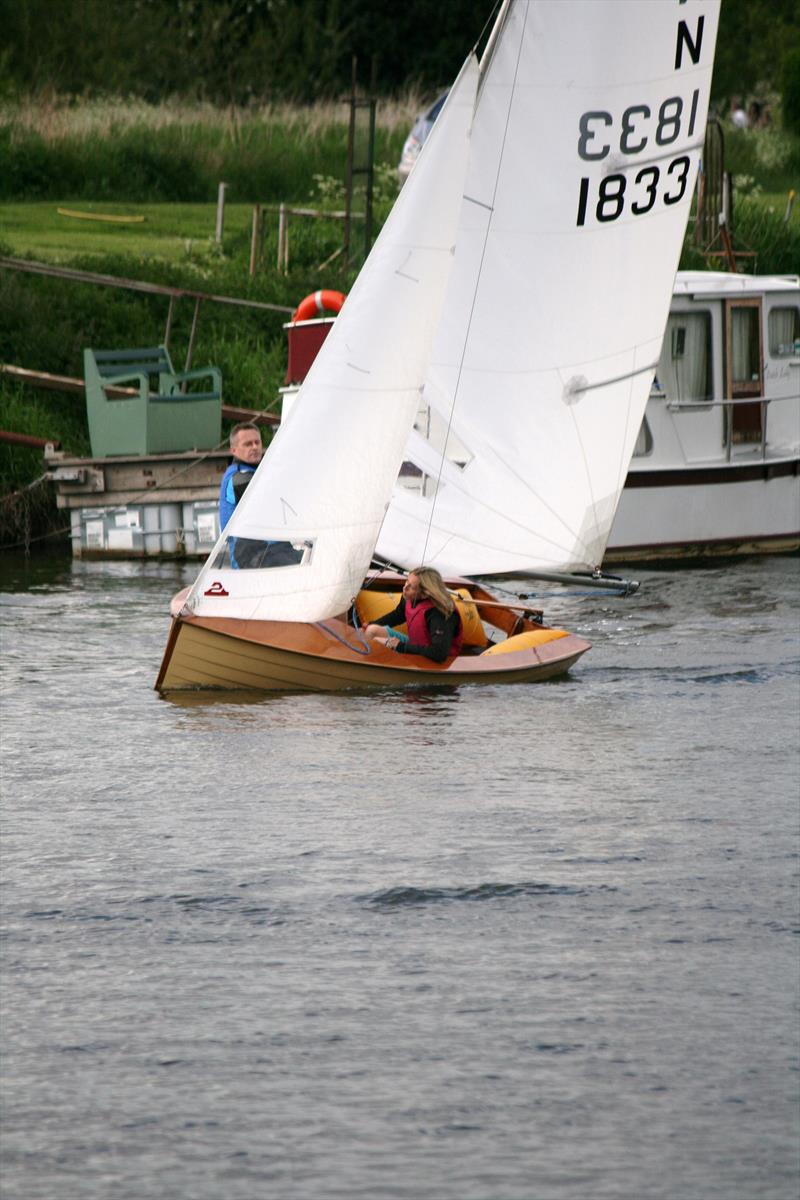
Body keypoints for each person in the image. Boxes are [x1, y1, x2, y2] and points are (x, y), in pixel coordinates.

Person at [363, 567, 464, 663]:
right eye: (407, 581)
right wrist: (370, 624)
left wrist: (399, 646)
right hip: (415, 646)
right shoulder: (410, 597)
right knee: (372, 630)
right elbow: (398, 615)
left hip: (434, 660)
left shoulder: (439, 614)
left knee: (378, 641)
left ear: (425, 594)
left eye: (411, 586)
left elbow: (439, 653)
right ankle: (366, 662)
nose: (404, 588)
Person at [218, 423, 263, 531]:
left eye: (257, 442)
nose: (255, 447)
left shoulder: (257, 471)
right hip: (250, 546)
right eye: (248, 444)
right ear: (233, 450)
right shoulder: (237, 476)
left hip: (267, 543)